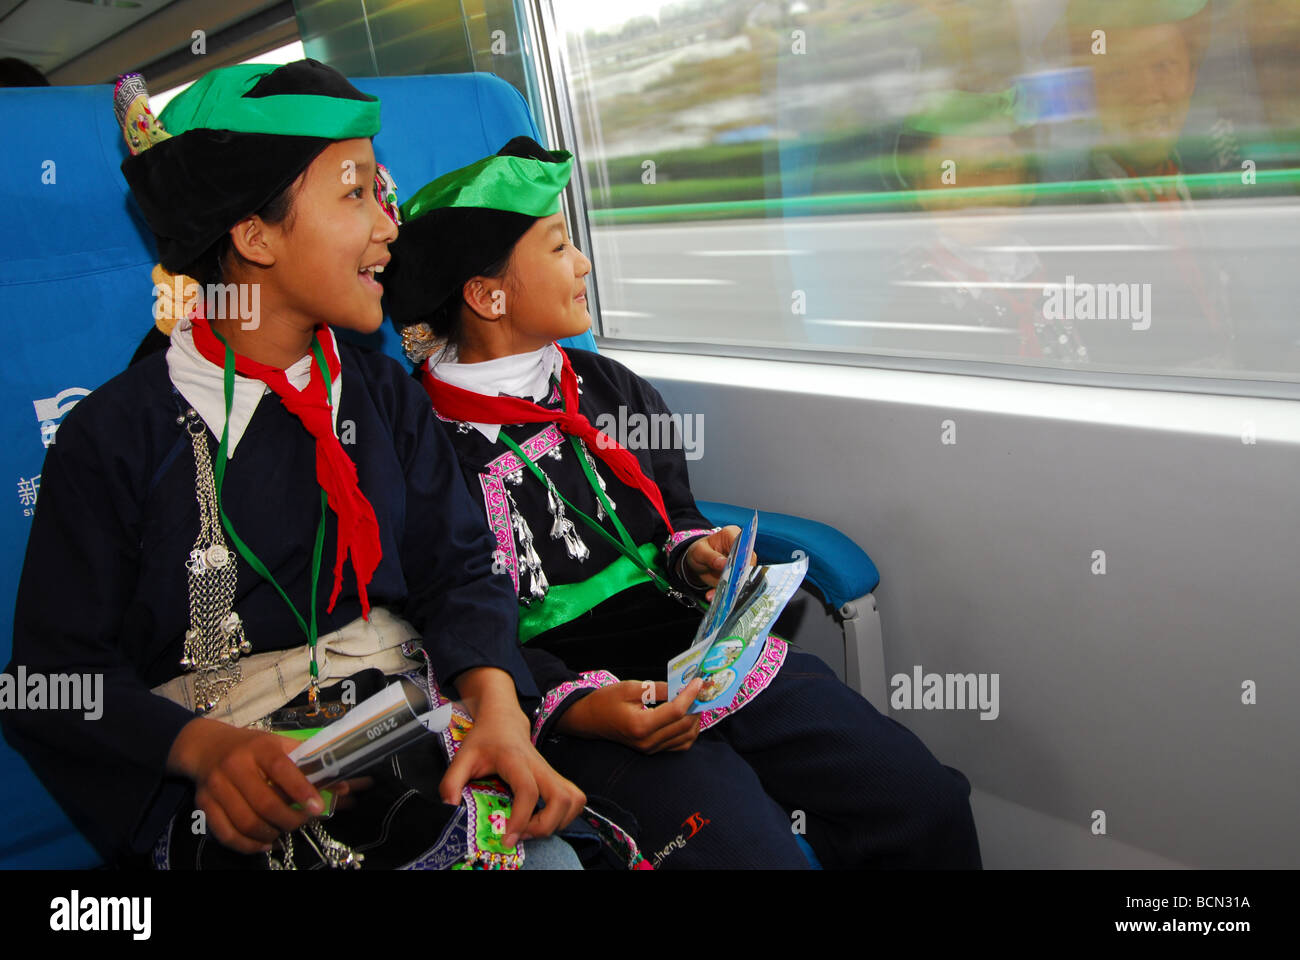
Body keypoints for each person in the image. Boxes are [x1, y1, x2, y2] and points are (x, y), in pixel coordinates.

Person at [1, 61, 624, 870]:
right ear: (255, 236)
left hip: (411, 719)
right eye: (356, 192)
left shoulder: (383, 396)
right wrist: (200, 750)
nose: (390, 225)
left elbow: (461, 571)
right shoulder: (114, 437)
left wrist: (498, 704)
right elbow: (45, 683)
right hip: (239, 773)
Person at [382, 136, 984, 869]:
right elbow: (442, 612)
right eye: (560, 247)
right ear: (487, 294)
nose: (584, 263)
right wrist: (582, 707)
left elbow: (672, 514)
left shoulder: (612, 390)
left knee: (920, 799)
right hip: (562, 693)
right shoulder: (419, 444)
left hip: (697, 648)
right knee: (750, 852)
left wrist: (694, 554)